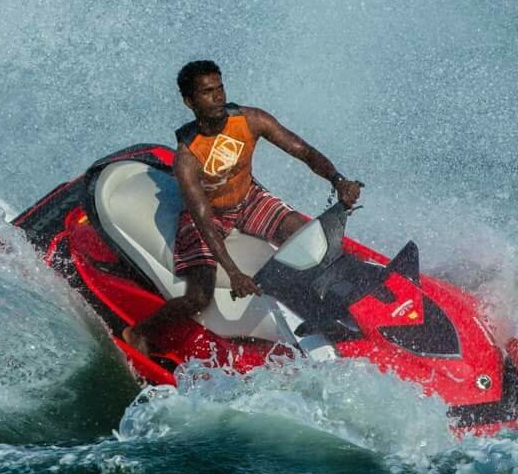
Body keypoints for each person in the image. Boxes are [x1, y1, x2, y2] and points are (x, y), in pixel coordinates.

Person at [121, 59, 364, 356]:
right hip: (208, 215)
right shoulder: (187, 157)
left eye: (220, 88)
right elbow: (202, 219)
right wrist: (234, 272)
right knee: (199, 296)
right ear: (189, 101)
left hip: (248, 198)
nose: (218, 96)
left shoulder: (250, 120)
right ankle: (140, 333)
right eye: (207, 92)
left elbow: (302, 151)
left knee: (307, 239)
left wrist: (338, 180)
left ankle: (337, 309)